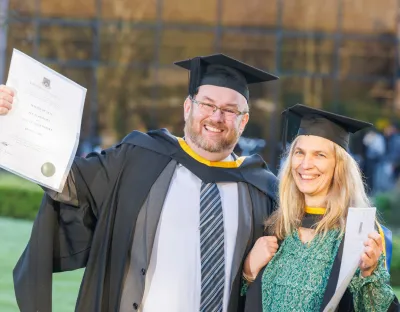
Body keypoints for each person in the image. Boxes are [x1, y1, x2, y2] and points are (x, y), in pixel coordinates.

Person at [0, 54, 279, 312]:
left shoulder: (261, 190)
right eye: (207, 104)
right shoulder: (138, 159)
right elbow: (65, 180)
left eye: (230, 110)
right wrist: (14, 120)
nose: (217, 117)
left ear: (243, 122)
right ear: (187, 108)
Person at [242, 104, 398, 311]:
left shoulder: (359, 234)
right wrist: (248, 272)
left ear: (339, 167)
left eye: (320, 155)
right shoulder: (274, 226)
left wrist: (370, 273)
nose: (305, 164)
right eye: (299, 152)